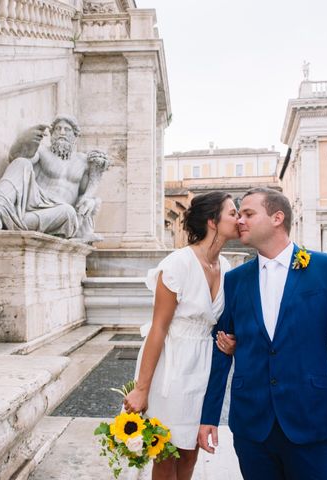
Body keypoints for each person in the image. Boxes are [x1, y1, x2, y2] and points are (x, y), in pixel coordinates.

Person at [198, 188, 327, 480]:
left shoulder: (326, 269)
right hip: (252, 428)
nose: (240, 220)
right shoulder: (235, 280)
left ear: (278, 218)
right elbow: (221, 348)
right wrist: (208, 417)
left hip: (313, 423)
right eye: (239, 214)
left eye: (249, 213)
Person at [122, 192, 240, 480]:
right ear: (213, 221)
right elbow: (159, 328)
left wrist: (234, 343)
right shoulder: (178, 264)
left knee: (189, 452)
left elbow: (223, 323)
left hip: (203, 366)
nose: (239, 219)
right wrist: (141, 388)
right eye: (233, 213)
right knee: (165, 454)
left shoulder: (226, 267)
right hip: (170, 365)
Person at [0, 114, 110, 242]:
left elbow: (87, 193)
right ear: (52, 133)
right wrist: (23, 141)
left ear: (75, 135)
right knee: (22, 162)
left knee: (68, 211)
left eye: (67, 129)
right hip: (34, 205)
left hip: (60, 213)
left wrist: (90, 199)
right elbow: (14, 158)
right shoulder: (42, 152)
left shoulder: (83, 161)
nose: (62, 132)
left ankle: (3, 221)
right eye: (58, 129)